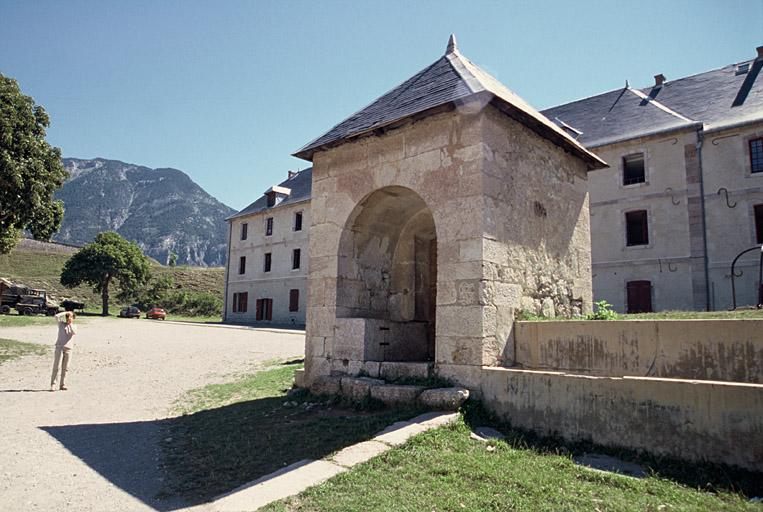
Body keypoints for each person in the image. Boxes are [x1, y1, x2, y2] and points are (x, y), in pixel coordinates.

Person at [50, 311, 77, 391]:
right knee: (56, 366)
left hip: (69, 348)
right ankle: (53, 384)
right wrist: (66, 312)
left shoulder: (74, 326)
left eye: (71, 317)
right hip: (60, 347)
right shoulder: (61, 324)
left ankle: (62, 384)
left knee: (65, 368)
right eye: (68, 317)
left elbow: (73, 332)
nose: (69, 318)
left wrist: (70, 323)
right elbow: (56, 316)